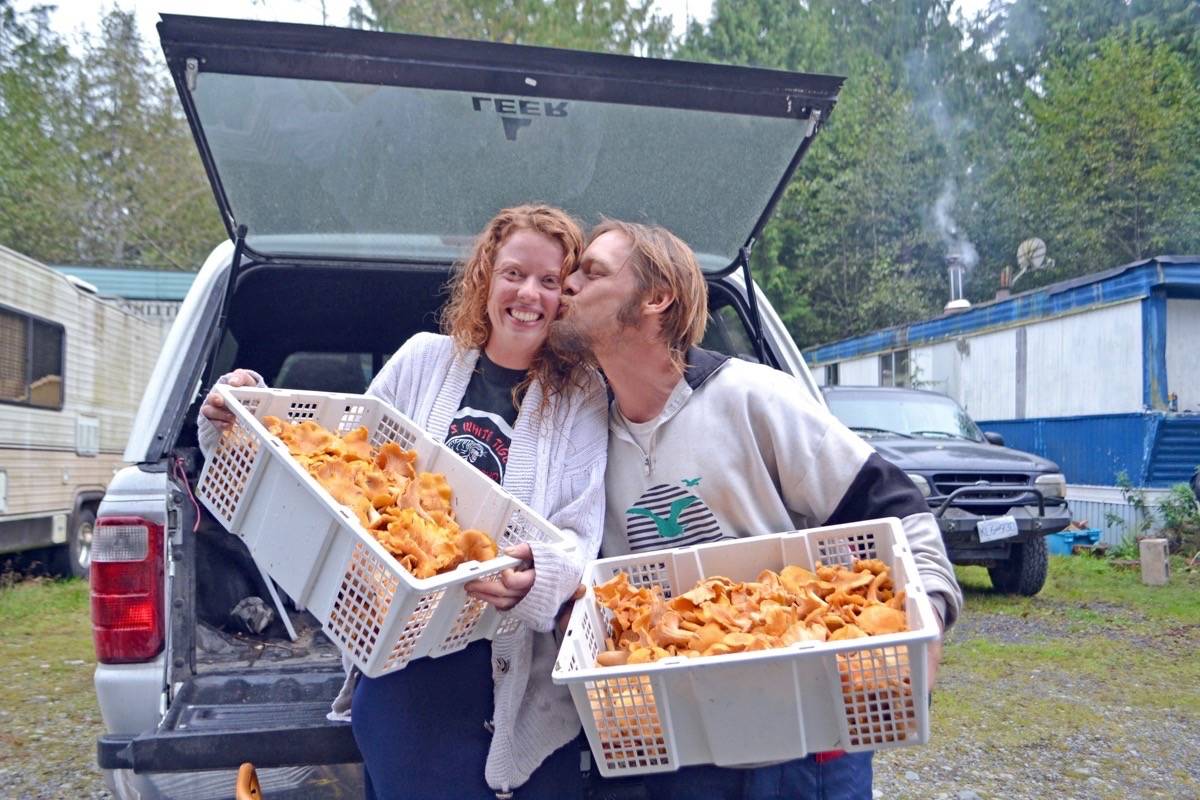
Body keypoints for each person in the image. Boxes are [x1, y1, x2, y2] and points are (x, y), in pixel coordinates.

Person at [197, 205, 609, 800]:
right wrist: (237, 415)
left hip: (518, 675)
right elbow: (337, 465)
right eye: (514, 273)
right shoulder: (423, 361)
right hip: (406, 663)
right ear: (486, 276)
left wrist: (536, 579)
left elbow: (579, 536)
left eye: (550, 281)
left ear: (566, 298)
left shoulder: (581, 397)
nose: (530, 294)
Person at [550, 219, 964, 800]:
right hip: (676, 744)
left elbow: (893, 504)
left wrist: (930, 617)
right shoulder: (583, 438)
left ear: (656, 297)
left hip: (798, 739)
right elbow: (580, 576)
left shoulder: (752, 396)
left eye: (592, 272)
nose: (568, 283)